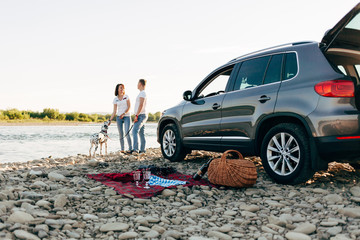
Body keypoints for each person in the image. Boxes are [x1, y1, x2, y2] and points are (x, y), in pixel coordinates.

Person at [110, 83, 132, 153]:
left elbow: (129, 107)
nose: (122, 89)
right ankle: (122, 149)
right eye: (121, 88)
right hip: (119, 117)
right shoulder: (115, 99)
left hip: (127, 116)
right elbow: (114, 111)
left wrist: (124, 113)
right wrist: (110, 120)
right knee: (120, 133)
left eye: (123, 88)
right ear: (117, 89)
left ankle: (130, 148)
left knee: (127, 132)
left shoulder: (126, 96)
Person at [132, 79, 148, 154]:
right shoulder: (142, 93)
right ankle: (142, 150)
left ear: (140, 84)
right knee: (141, 133)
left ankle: (135, 149)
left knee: (134, 131)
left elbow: (141, 105)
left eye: (137, 83)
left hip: (141, 115)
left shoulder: (142, 93)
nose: (137, 85)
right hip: (141, 115)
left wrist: (137, 115)